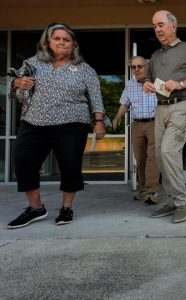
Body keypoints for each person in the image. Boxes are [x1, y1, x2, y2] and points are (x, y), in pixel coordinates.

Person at [6, 23, 109, 229]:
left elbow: (96, 98)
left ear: (73, 45)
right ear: (48, 42)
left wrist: (99, 121)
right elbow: (14, 83)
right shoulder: (33, 63)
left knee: (69, 165)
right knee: (23, 160)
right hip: (34, 121)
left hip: (72, 122)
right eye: (57, 38)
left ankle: (66, 208)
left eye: (66, 39)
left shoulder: (84, 69)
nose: (62, 42)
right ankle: (35, 208)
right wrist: (17, 83)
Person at [144, 10, 186, 223]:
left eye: (161, 24)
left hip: (181, 105)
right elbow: (150, 80)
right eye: (154, 26)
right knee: (161, 156)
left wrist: (180, 83)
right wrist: (147, 84)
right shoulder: (155, 56)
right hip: (160, 107)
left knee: (168, 151)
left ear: (173, 25)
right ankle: (172, 200)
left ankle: (182, 201)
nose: (157, 29)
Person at [113, 56, 161, 204]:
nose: (137, 69)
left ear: (146, 67)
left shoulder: (157, 82)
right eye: (133, 67)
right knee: (140, 158)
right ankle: (143, 189)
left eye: (140, 66)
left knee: (153, 158)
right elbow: (125, 103)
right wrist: (117, 116)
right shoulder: (129, 84)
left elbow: (167, 101)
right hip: (137, 125)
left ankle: (152, 191)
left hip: (154, 123)